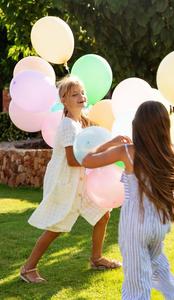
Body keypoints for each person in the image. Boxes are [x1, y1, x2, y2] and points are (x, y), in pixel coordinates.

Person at [82, 101, 174, 299]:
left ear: (137, 125)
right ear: (165, 127)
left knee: (136, 281)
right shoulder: (169, 155)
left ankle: (163, 293)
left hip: (134, 227)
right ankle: (173, 292)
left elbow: (87, 160)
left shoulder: (127, 151)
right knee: (156, 261)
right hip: (158, 223)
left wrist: (111, 142)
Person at [20, 76, 121, 283]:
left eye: (82, 92)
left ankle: (96, 258)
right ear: (64, 100)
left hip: (78, 181)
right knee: (56, 227)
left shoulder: (78, 122)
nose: (81, 96)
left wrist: (112, 145)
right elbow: (74, 160)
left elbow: (86, 150)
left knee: (103, 214)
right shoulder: (68, 126)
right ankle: (28, 269)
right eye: (75, 94)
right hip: (66, 182)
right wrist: (105, 157)